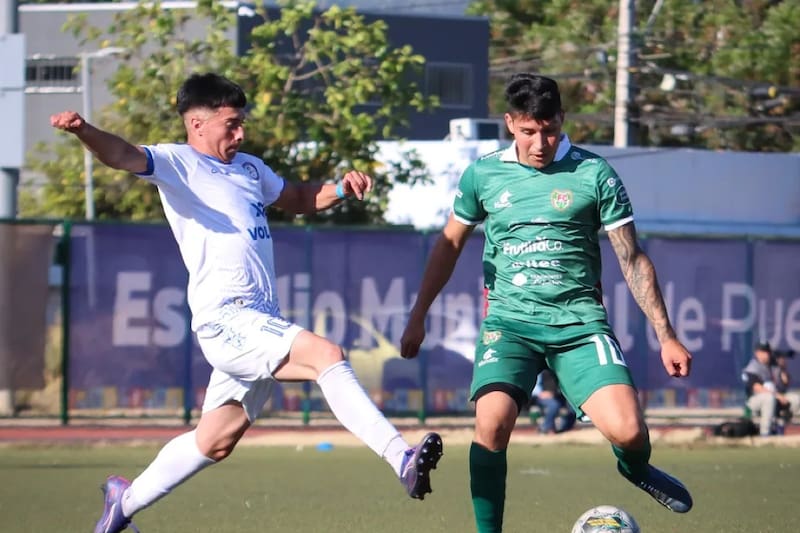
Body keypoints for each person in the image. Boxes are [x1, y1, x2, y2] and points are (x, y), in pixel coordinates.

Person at [51, 72, 443, 533]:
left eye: (242, 124)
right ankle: (401, 457)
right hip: (226, 319)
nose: (240, 133)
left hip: (258, 319)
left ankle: (123, 502)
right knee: (326, 355)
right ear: (197, 125)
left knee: (216, 440)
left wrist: (338, 189)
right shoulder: (177, 163)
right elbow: (122, 154)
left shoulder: (250, 168)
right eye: (231, 124)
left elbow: (296, 197)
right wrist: (84, 131)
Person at [400, 73, 693, 532]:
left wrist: (666, 335)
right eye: (529, 131)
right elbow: (449, 245)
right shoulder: (483, 174)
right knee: (491, 425)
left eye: (550, 129)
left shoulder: (594, 173)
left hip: (579, 324)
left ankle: (634, 469)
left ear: (562, 120)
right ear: (510, 124)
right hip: (510, 324)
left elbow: (632, 258)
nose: (541, 142)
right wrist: (418, 316)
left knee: (631, 432)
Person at [743, 342, 799, 436]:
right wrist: (777, 396)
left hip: (776, 398)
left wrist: (783, 368)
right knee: (769, 399)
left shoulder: (774, 366)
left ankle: (780, 427)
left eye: (768, 351)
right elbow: (757, 387)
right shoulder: (752, 367)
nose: (767, 354)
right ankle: (765, 434)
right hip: (754, 402)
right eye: (764, 352)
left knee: (796, 399)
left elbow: (785, 384)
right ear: (757, 353)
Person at [530, 368, 576, 434]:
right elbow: (534, 385)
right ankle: (546, 428)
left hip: (560, 396)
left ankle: (565, 429)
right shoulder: (541, 369)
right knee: (554, 405)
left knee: (573, 406)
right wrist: (540, 393)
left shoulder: (562, 369)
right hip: (542, 397)